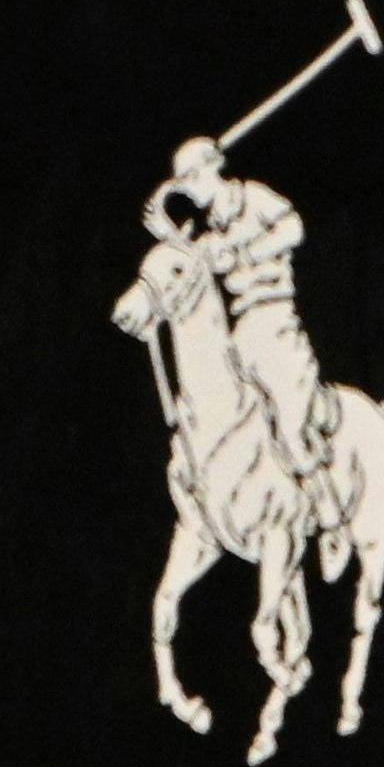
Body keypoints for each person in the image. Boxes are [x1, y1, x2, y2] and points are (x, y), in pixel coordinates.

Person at [146, 136, 343, 525]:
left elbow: (293, 228)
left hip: (275, 320)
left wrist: (240, 251)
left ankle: (327, 501)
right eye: (183, 184)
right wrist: (167, 234)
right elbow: (186, 267)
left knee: (288, 418)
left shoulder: (251, 197)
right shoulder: (208, 234)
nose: (190, 190)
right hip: (240, 332)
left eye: (192, 178)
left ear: (212, 168)